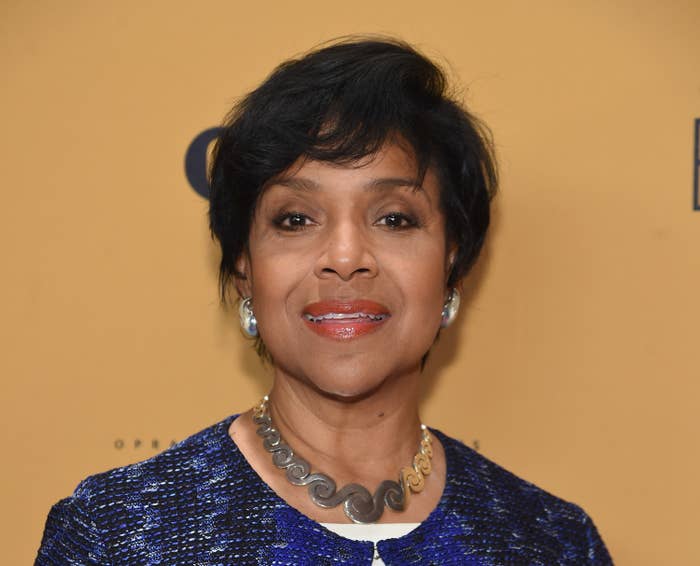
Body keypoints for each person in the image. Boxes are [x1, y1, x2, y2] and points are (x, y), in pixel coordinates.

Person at [35, 37, 613, 565]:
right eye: (295, 219)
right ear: (244, 268)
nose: (344, 256)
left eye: (393, 218)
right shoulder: (117, 535)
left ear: (452, 268)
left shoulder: (552, 541)